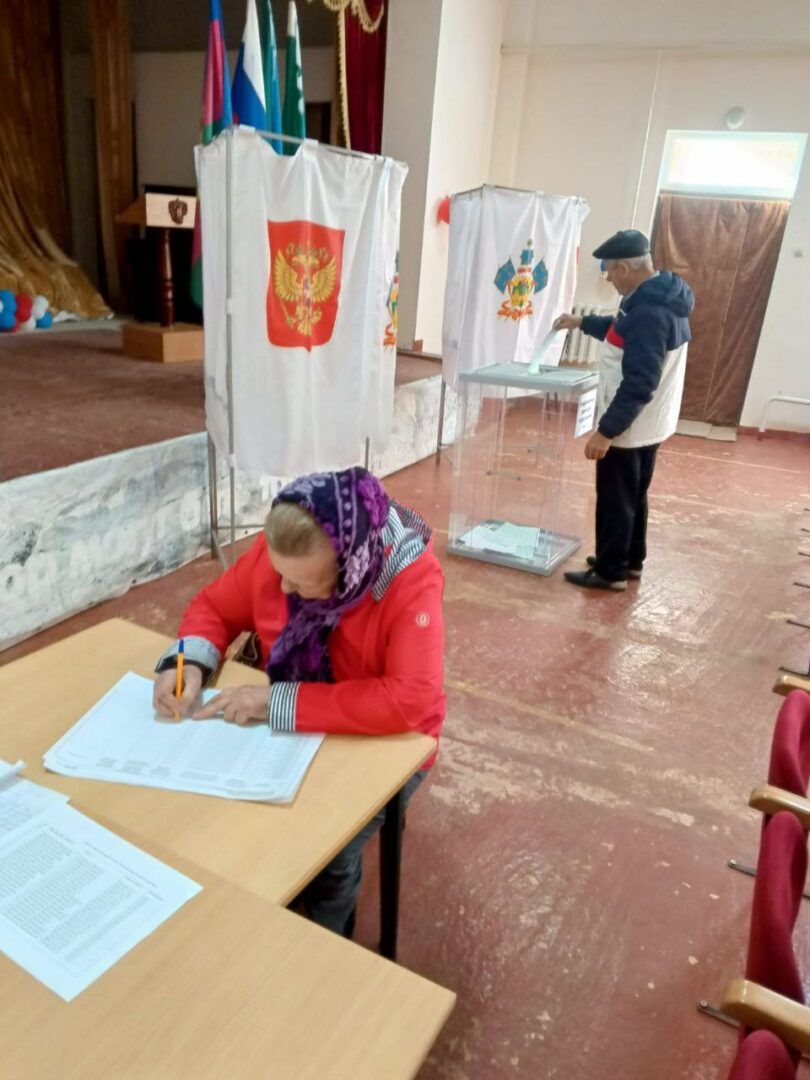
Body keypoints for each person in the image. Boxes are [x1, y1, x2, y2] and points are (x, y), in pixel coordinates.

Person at [152, 467, 445, 938]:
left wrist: (277, 702)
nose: (284, 590)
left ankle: (328, 936)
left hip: (389, 739)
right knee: (237, 817)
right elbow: (215, 608)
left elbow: (410, 699)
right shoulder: (282, 558)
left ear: (350, 569)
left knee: (329, 849)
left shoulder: (408, 578)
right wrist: (188, 662)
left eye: (304, 583)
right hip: (298, 720)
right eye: (279, 575)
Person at [553, 229, 694, 591]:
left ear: (624, 268)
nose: (608, 279)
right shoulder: (656, 296)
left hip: (630, 425)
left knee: (615, 497)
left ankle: (610, 571)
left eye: (609, 271)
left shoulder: (648, 312)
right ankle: (630, 560)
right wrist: (582, 322)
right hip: (650, 423)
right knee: (633, 494)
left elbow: (640, 382)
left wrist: (606, 431)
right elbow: (620, 332)